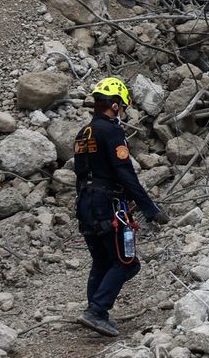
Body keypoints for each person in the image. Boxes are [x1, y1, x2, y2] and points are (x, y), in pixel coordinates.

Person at [72, 77, 169, 337]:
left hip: (85, 203)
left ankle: (94, 311)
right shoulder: (112, 131)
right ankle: (97, 312)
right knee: (127, 263)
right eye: (123, 106)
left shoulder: (84, 133)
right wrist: (151, 209)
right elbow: (125, 173)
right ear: (115, 105)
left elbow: (81, 173)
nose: (124, 112)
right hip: (107, 204)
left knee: (102, 260)